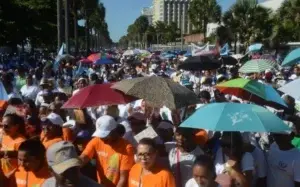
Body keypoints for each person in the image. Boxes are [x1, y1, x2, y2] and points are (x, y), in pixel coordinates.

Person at [80, 115, 134, 187]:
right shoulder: (96, 140)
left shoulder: (127, 148)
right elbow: (84, 157)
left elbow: (123, 178)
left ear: (114, 131)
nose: (102, 139)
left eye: (105, 135)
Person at [0, 114, 26, 185]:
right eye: (2, 125)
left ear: (16, 126)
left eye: (6, 126)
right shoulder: (5, 137)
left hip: (12, 180)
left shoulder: (21, 142)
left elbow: (23, 164)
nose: (3, 128)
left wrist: (8, 176)